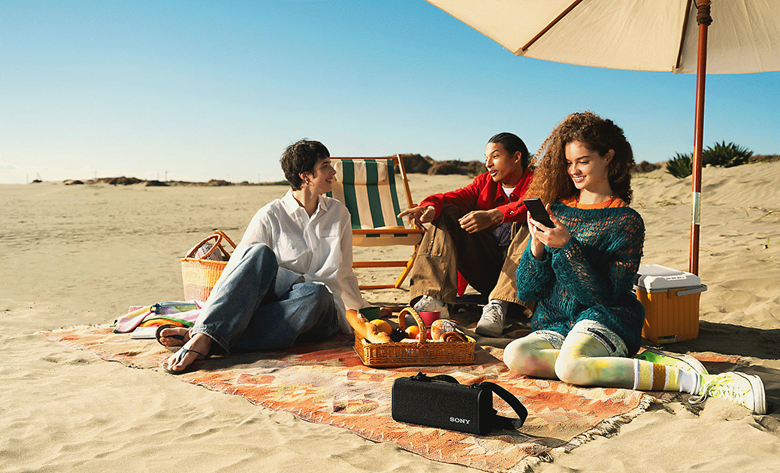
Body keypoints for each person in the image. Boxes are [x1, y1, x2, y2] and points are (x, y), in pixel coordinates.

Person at [503, 111, 766, 414]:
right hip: (559, 324)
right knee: (516, 355)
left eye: (583, 161)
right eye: (569, 162)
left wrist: (567, 247)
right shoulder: (555, 211)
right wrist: (537, 246)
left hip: (605, 318)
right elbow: (526, 290)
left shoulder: (626, 221)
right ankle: (626, 365)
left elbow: (601, 295)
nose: (574, 170)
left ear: (608, 158)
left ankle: (695, 381)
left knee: (570, 368)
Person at [160, 139, 371, 373]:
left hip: (317, 308)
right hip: (277, 302)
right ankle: (206, 333)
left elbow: (344, 271)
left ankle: (207, 336)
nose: (333, 172)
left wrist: (360, 311)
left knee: (317, 293)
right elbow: (239, 269)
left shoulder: (339, 213)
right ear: (305, 176)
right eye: (325, 166)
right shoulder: (270, 215)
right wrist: (207, 316)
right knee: (258, 253)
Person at [398, 132, 534, 336]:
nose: (488, 164)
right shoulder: (484, 183)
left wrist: (494, 215)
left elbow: (539, 202)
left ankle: (499, 305)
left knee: (532, 217)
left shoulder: (539, 181)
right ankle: (433, 300)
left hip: (524, 280)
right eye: (486, 158)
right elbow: (451, 197)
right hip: (487, 271)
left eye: (495, 156)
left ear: (516, 157)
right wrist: (430, 207)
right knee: (446, 211)